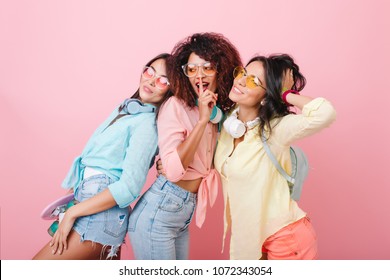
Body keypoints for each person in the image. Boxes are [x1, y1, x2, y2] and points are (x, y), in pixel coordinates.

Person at [33, 53, 172, 260]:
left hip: (100, 216)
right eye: (149, 71)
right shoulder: (127, 110)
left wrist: (73, 213)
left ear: (170, 90)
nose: (152, 80)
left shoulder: (147, 125)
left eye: (163, 79)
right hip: (91, 206)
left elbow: (129, 187)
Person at [128, 33, 242, 260]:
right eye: (191, 69)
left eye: (207, 67)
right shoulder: (175, 106)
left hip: (181, 214)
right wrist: (200, 121)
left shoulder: (217, 112)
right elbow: (172, 170)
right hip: (158, 213)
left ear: (221, 69)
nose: (199, 75)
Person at [213, 54, 337, 260]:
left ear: (266, 95)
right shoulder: (229, 123)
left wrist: (285, 94)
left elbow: (325, 113)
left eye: (254, 80)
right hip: (252, 238)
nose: (241, 80)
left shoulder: (276, 129)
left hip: (286, 238)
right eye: (243, 72)